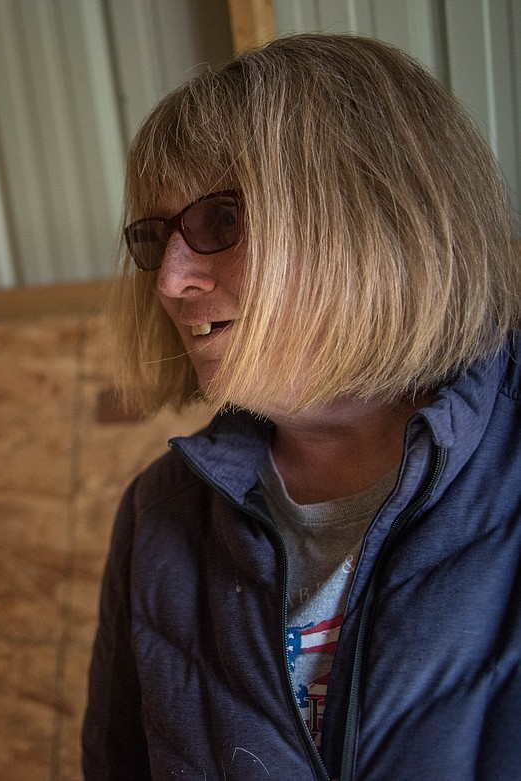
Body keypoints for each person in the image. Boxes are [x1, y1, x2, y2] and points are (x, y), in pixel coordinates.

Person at [83, 33, 521, 781]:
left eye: (221, 221)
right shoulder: (159, 514)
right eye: (156, 239)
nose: (170, 281)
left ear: (374, 216)